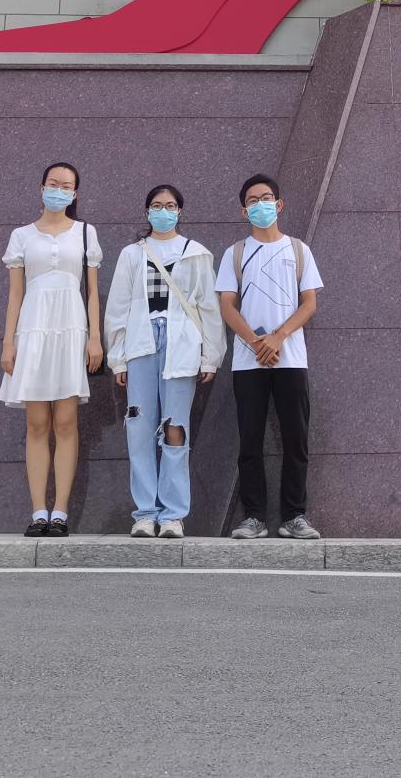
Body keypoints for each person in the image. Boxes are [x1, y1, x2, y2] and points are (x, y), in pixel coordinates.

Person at [104, 184, 224, 539]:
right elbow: (118, 307)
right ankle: (145, 513)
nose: (163, 211)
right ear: (147, 211)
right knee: (139, 428)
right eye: (157, 205)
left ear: (179, 211)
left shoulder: (195, 253)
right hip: (141, 345)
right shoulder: (132, 254)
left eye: (170, 206)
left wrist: (211, 356)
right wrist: (118, 358)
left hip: (181, 346)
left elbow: (208, 307)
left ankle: (173, 515)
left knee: (175, 429)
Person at [0, 160, 103, 537]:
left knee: (66, 422)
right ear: (41, 187)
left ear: (75, 193)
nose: (59, 190)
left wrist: (94, 337)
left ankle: (60, 511)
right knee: (37, 423)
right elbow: (15, 295)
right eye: (53, 183)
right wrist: (8, 342)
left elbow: (92, 292)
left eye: (66, 186)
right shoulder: (22, 236)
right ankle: (38, 510)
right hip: (33, 329)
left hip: (71, 328)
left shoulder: (85, 233)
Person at [215, 173, 323, 540]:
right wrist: (257, 342)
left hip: (291, 358)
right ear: (243, 211)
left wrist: (278, 337)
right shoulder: (235, 253)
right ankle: (254, 518)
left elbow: (309, 303)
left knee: (296, 439)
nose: (260, 205)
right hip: (249, 362)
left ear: (279, 204)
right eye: (252, 200)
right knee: (250, 441)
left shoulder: (298, 250)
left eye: (266, 198)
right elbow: (227, 306)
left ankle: (294, 516)